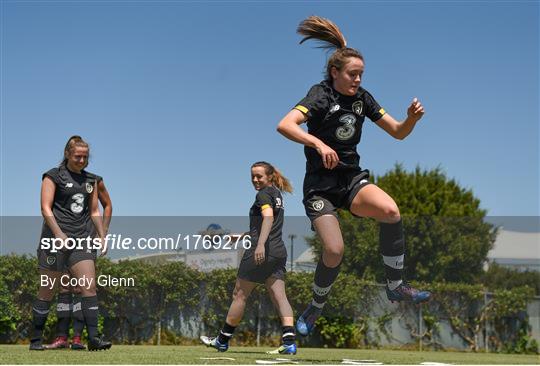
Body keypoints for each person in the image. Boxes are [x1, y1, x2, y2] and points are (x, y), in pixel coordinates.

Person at [276, 16, 431, 337]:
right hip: (320, 189)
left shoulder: (363, 99)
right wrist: (317, 142)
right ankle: (315, 308)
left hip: (350, 181)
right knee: (334, 251)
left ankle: (396, 285)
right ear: (335, 73)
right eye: (352, 74)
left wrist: (411, 119)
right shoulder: (319, 96)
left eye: (361, 74)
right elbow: (285, 125)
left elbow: (398, 133)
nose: (358, 80)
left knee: (391, 211)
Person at [200, 162, 297, 355]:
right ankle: (289, 341)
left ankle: (222, 340)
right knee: (279, 296)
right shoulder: (277, 194)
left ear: (269, 176)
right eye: (252, 176)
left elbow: (268, 218)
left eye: (259, 176)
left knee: (239, 295)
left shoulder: (262, 195)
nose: (255, 180)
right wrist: (243, 235)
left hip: (261, 251)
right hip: (278, 252)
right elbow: (266, 224)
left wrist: (259, 244)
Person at [30, 136, 112, 351]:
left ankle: (94, 338)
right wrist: (58, 234)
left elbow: (95, 211)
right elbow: (45, 208)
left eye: (85, 157)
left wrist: (102, 236)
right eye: (78, 156)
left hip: (81, 239)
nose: (81, 160)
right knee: (47, 290)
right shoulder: (53, 176)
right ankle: (36, 340)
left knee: (89, 286)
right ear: (67, 154)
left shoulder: (90, 181)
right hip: (54, 240)